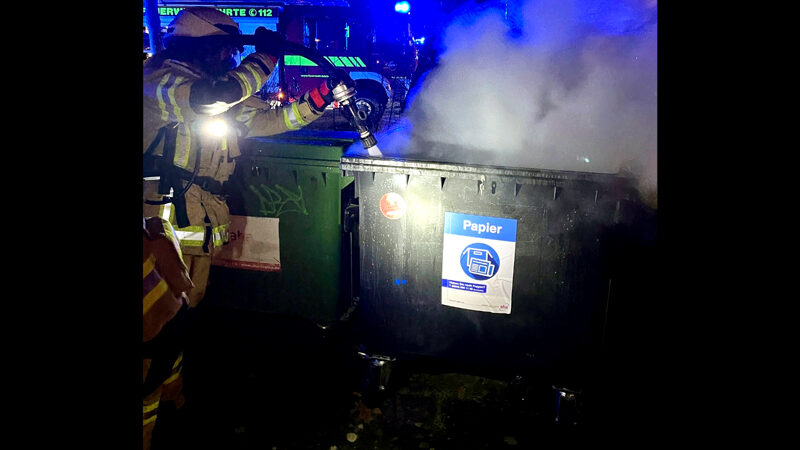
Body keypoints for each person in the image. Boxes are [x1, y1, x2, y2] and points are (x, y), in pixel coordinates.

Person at [143, 6, 348, 307]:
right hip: (159, 229)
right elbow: (215, 97)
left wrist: (323, 95)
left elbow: (272, 121)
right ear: (203, 47)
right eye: (225, 50)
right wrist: (266, 57)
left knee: (183, 314)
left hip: (199, 223)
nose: (230, 58)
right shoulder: (161, 81)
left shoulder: (208, 88)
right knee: (157, 318)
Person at [142, 216, 194, 450]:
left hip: (157, 331)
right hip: (172, 316)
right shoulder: (155, 232)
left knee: (147, 396)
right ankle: (176, 402)